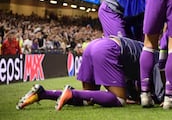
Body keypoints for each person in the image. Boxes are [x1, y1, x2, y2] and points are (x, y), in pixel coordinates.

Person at [16, 35, 164, 110]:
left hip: (94, 45)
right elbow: (157, 94)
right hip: (109, 49)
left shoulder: (149, 56)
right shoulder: (158, 61)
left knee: (89, 99)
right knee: (119, 100)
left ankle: (43, 93)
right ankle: (73, 93)